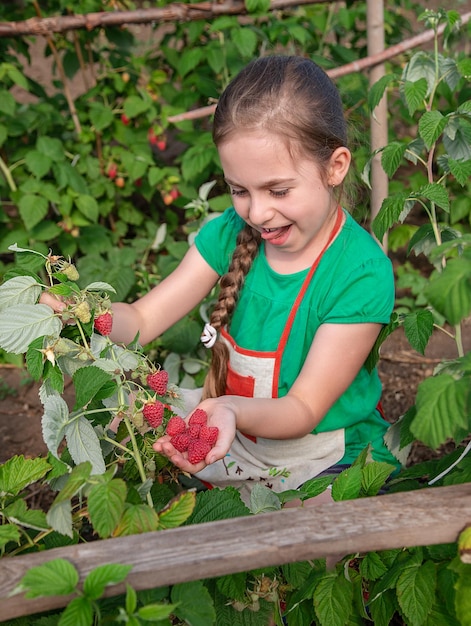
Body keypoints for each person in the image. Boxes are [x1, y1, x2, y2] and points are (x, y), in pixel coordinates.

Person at [52, 55, 398, 504]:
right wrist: (83, 315)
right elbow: (139, 318)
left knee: (317, 529)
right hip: (233, 425)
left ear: (335, 167)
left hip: (323, 449)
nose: (257, 213)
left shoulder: (359, 273)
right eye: (239, 190)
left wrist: (230, 408)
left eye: (278, 190)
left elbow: (304, 409)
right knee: (121, 423)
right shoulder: (228, 235)